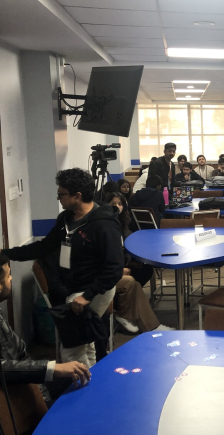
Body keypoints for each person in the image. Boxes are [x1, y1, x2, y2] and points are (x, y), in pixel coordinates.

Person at [1, 168, 123, 367]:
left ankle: (79, 389)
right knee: (85, 344)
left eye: (61, 194)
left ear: (77, 196)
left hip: (95, 289)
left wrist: (86, 296)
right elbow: (44, 247)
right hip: (74, 288)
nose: (58, 198)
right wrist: (6, 254)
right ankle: (92, 384)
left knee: (71, 351)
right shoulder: (66, 219)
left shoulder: (104, 225)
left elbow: (115, 268)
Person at [0, 253, 92, 405]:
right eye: (9, 275)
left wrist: (44, 378)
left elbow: (20, 354)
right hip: (13, 394)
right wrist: (51, 369)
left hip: (25, 380)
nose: (11, 279)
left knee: (82, 378)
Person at [105, 193, 173, 333]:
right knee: (133, 281)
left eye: (120, 204)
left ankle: (126, 313)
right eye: (113, 204)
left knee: (144, 270)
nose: (117, 207)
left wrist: (127, 263)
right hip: (107, 271)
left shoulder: (123, 223)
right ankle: (147, 324)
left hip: (118, 265)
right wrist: (120, 269)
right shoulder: (105, 226)